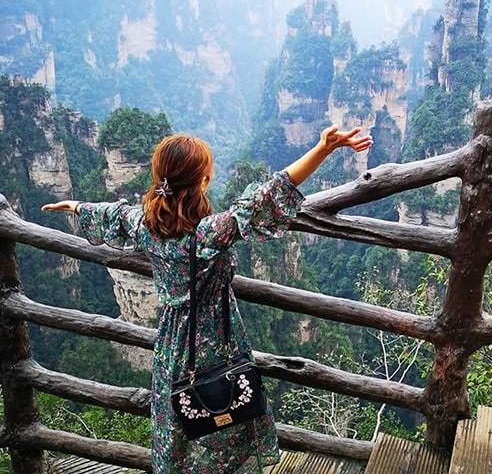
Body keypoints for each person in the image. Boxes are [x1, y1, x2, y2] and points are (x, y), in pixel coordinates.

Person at [42, 125, 372, 474]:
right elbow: (272, 191)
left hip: (171, 346)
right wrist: (322, 149)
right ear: (203, 182)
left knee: (180, 423)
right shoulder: (210, 233)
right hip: (218, 341)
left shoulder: (146, 226)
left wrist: (77, 205)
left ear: (160, 180)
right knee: (227, 416)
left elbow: (115, 215)